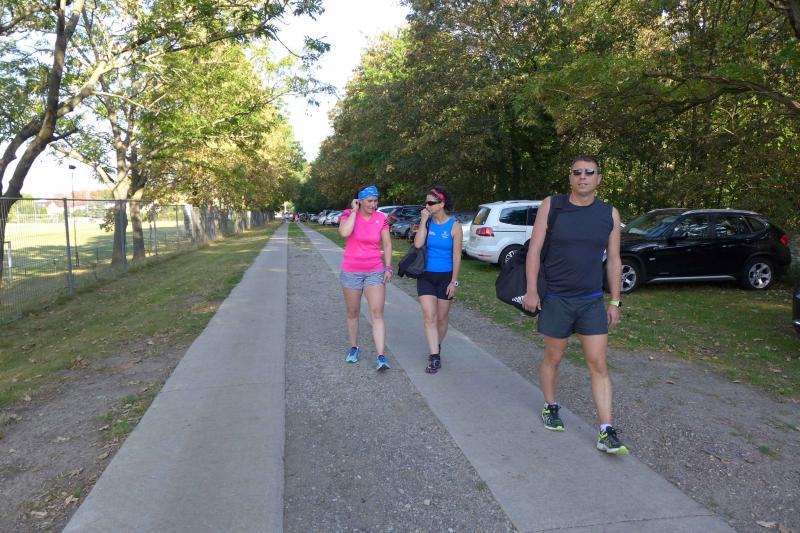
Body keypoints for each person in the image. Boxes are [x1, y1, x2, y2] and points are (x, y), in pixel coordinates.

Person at [521, 156, 628, 454]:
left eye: (589, 172)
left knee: (599, 363)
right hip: (556, 297)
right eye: (577, 172)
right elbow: (534, 250)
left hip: (591, 300)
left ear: (599, 178)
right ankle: (550, 405)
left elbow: (614, 259)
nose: (583, 177)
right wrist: (532, 290)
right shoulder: (552, 206)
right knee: (554, 356)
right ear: (570, 177)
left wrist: (615, 300)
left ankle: (606, 431)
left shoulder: (609, 213)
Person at [338, 184, 393, 370]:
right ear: (359, 201)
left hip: (374, 270)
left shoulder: (381, 218)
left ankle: (381, 356)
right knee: (352, 312)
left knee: (377, 313)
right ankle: (354, 347)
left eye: (375, 201)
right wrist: (354, 212)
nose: (373, 204)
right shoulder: (347, 214)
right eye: (369, 201)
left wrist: (388, 267)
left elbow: (387, 243)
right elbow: (344, 233)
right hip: (351, 271)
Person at [412, 186, 462, 374]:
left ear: (441, 204)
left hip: (445, 277)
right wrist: (423, 220)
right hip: (425, 275)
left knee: (442, 318)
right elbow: (418, 244)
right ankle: (434, 357)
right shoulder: (427, 223)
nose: (427, 205)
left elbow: (457, 256)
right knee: (429, 316)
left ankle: (436, 346)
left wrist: (454, 281)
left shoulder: (454, 226)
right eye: (425, 202)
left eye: (430, 203)